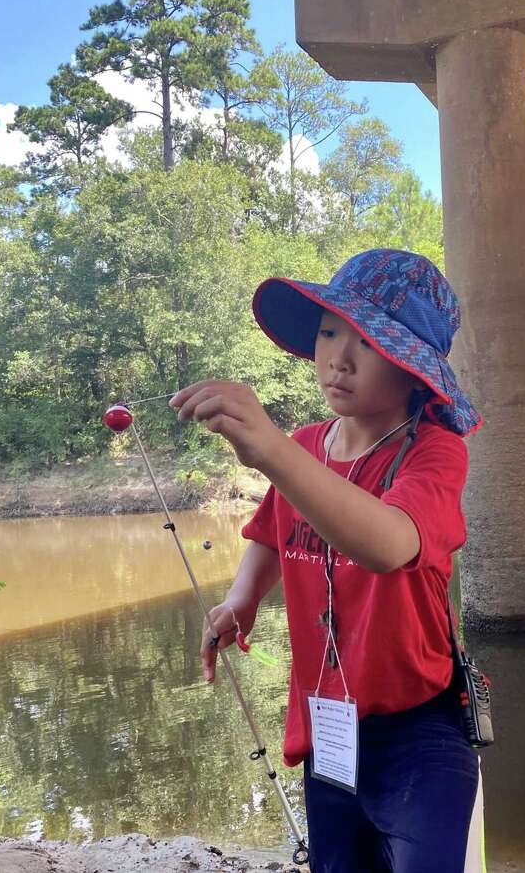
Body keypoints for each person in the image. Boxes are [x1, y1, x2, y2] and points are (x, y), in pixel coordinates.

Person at [170, 248, 485, 872]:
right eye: (329, 332)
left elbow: (389, 544)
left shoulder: (434, 452)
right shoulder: (306, 446)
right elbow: (272, 530)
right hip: (329, 725)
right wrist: (242, 598)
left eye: (367, 341)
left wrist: (270, 450)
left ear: (413, 370)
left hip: (420, 730)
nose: (338, 358)